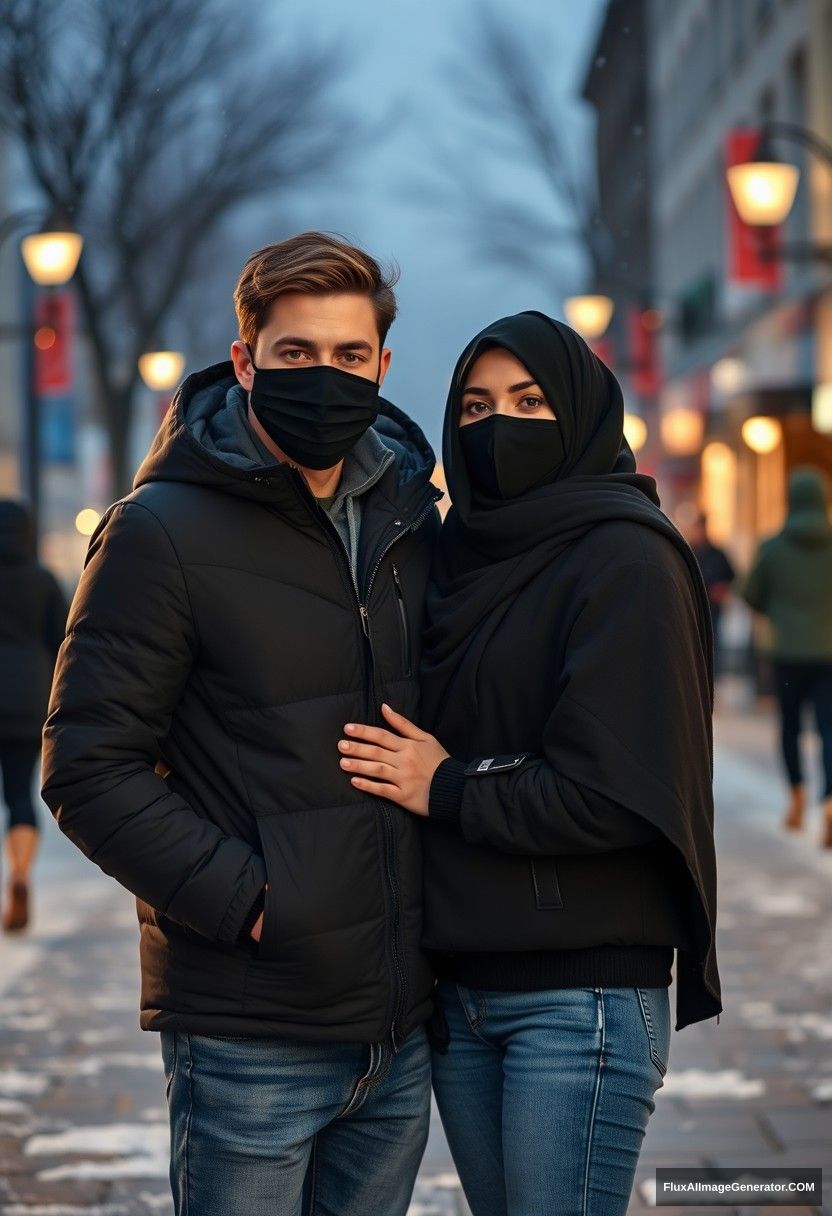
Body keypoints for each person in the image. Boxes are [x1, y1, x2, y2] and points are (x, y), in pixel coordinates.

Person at [41, 233, 443, 1216]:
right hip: (250, 1028)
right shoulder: (158, 530)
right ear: (245, 360)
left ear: (383, 365)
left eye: (350, 357)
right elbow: (88, 768)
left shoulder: (410, 521)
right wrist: (255, 903)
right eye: (295, 354)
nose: (325, 377)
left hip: (398, 1025)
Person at [337, 311, 722, 1216]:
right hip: (462, 992)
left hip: (580, 995)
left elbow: (616, 791)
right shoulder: (454, 557)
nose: (494, 425)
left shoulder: (625, 557)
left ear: (582, 412)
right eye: (473, 405)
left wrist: (449, 785)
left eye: (529, 400)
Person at [742, 467, 832, 847]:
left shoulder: (772, 548)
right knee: (830, 728)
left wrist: (778, 612)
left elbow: (749, 593)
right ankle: (829, 800)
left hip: (787, 653)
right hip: (829, 652)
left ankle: (796, 791)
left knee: (791, 726)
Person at [0, 500, 67, 932]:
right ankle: (20, 875)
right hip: (28, 698)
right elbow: (65, 641)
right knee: (20, 795)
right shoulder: (44, 582)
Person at [688, 511, 735, 669]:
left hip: (713, 607)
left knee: (714, 642)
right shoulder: (689, 552)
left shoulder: (717, 554)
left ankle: (714, 673)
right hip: (693, 606)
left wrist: (722, 589)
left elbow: (730, 576)